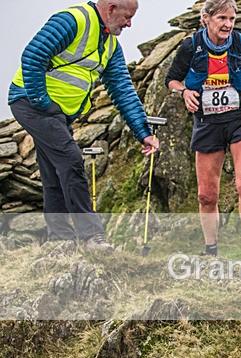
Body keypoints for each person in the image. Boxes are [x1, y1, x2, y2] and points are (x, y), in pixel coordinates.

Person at [8, 0, 159, 252]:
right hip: (31, 103)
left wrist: (143, 132)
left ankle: (60, 239)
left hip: (57, 114)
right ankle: (93, 237)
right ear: (111, 9)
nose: (130, 23)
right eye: (127, 17)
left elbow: (123, 90)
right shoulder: (72, 20)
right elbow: (33, 56)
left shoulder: (110, 44)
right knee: (71, 160)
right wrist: (42, 103)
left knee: (55, 171)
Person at [166, 0, 241, 260]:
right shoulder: (191, 46)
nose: (228, 24)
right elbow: (172, 80)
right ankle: (210, 249)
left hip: (240, 120)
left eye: (232, 19)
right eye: (222, 18)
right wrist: (184, 92)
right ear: (206, 19)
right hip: (208, 123)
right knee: (206, 196)